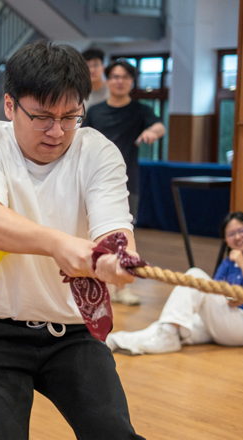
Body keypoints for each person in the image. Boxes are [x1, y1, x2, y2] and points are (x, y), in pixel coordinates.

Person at [0, 41, 162, 440]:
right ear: (10, 106)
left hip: (72, 334)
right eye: (43, 117)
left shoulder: (98, 151)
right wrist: (59, 244)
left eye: (70, 117)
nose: (58, 131)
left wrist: (117, 259)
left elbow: (115, 230)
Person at [107, 211, 243, 355]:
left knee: (195, 275)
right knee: (173, 324)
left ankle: (165, 336)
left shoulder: (240, 260)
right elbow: (216, 292)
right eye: (231, 234)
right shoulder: (228, 262)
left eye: (242, 231)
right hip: (224, 319)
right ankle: (115, 341)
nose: (237, 237)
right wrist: (230, 299)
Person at [83, 59, 166, 306]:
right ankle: (93, 287)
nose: (120, 81)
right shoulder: (95, 111)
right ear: (107, 81)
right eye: (115, 77)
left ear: (131, 82)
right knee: (91, 234)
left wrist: (153, 132)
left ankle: (120, 288)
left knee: (123, 237)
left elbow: (159, 126)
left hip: (128, 182)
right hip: (93, 180)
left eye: (125, 77)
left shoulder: (140, 110)